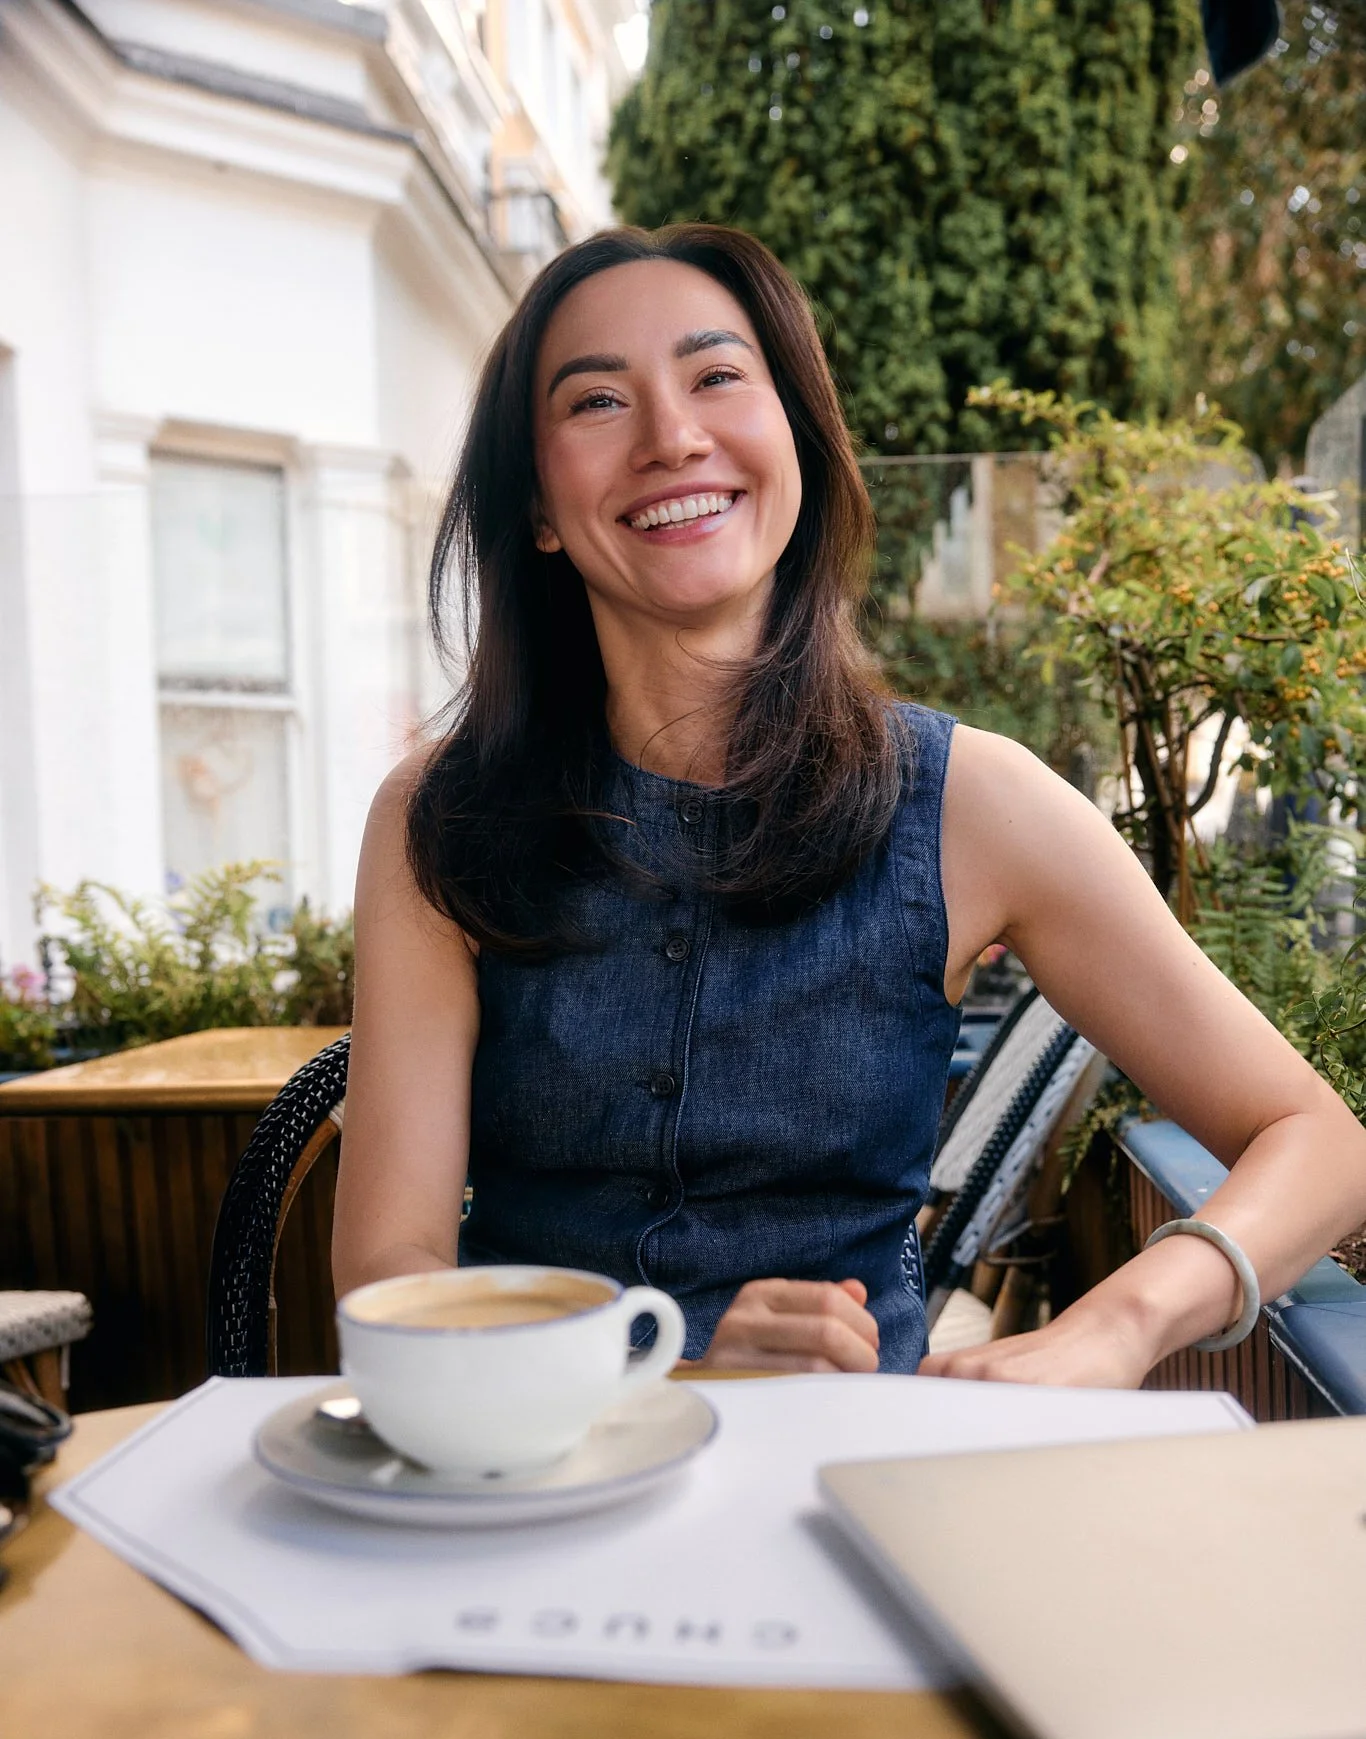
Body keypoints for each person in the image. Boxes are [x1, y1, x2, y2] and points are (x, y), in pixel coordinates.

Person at [332, 223, 1366, 1384]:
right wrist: (661, 1381)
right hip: (527, 1485)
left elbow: (1321, 1141)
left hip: (856, 1488)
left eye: (717, 376)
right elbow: (390, 1267)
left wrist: (1114, 1323)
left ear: (799, 445)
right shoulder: (438, 815)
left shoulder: (972, 801)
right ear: (534, 506)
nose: (673, 437)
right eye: (595, 403)